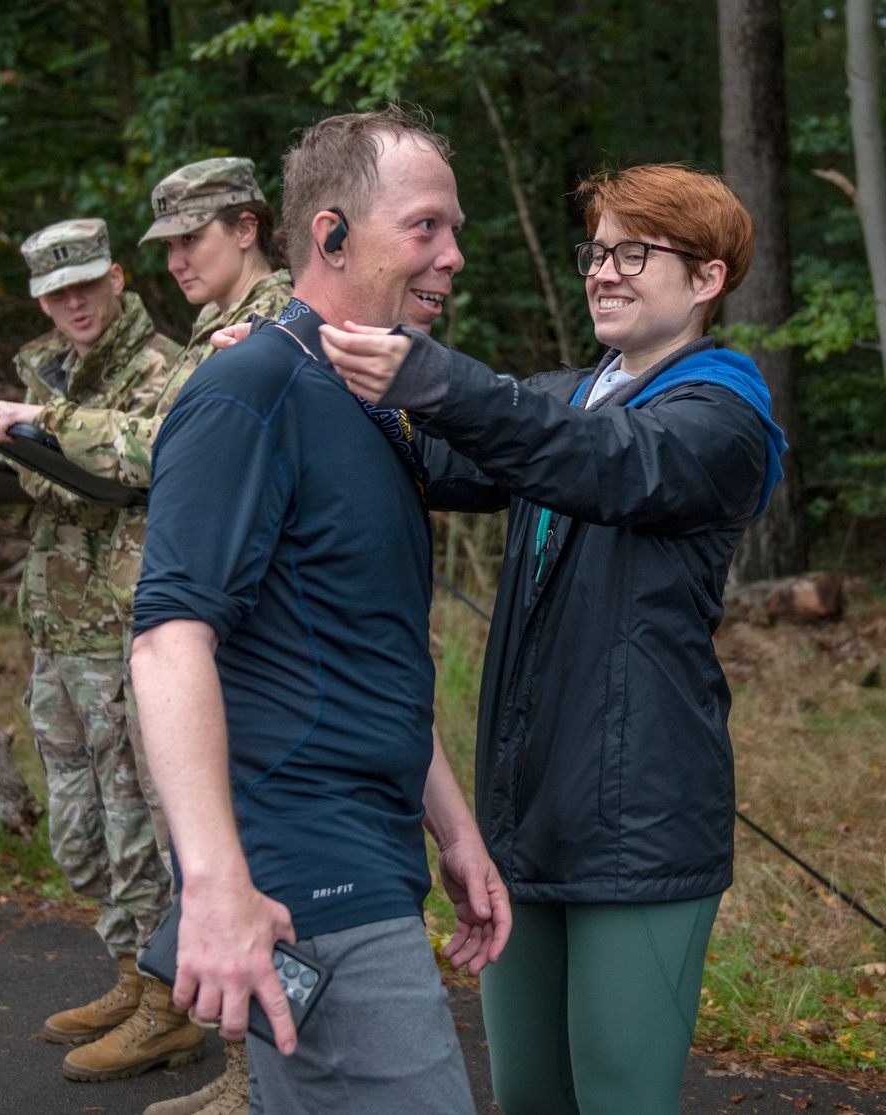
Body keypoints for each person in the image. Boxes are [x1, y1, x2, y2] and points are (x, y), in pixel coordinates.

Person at [320, 163, 788, 1115]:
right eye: (597, 252)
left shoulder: (722, 416)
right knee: (529, 1092)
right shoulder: (570, 397)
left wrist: (440, 378)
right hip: (525, 818)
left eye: (634, 253)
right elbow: (443, 450)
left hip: (641, 826)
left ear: (707, 280)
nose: (604, 272)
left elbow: (602, 466)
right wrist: (305, 365)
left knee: (620, 1096)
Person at [129, 106, 511, 1115]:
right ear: (330, 233)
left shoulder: (369, 402)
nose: (453, 256)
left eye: (456, 228)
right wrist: (214, 885)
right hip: (307, 873)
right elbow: (169, 642)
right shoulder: (246, 389)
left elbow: (358, 653)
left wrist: (455, 831)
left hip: (376, 853)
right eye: (425, 226)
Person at [0, 158, 292, 1115]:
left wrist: (47, 421)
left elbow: (164, 447)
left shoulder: (268, 325)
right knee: (199, 846)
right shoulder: (225, 327)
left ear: (247, 225)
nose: (178, 260)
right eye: (169, 243)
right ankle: (239, 1068)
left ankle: (249, 1074)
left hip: (238, 625)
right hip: (200, 619)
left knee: (233, 850)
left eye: (192, 238)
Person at [0, 219, 203, 1083]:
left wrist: (26, 441)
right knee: (80, 837)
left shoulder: (163, 368)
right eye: (56, 293)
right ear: (39, 302)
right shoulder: (40, 370)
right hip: (59, 631)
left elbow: (135, 477)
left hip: (130, 636)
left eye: (87, 283)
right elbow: (46, 504)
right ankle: (130, 972)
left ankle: (169, 1000)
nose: (74, 303)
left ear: (119, 277)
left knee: (139, 832)